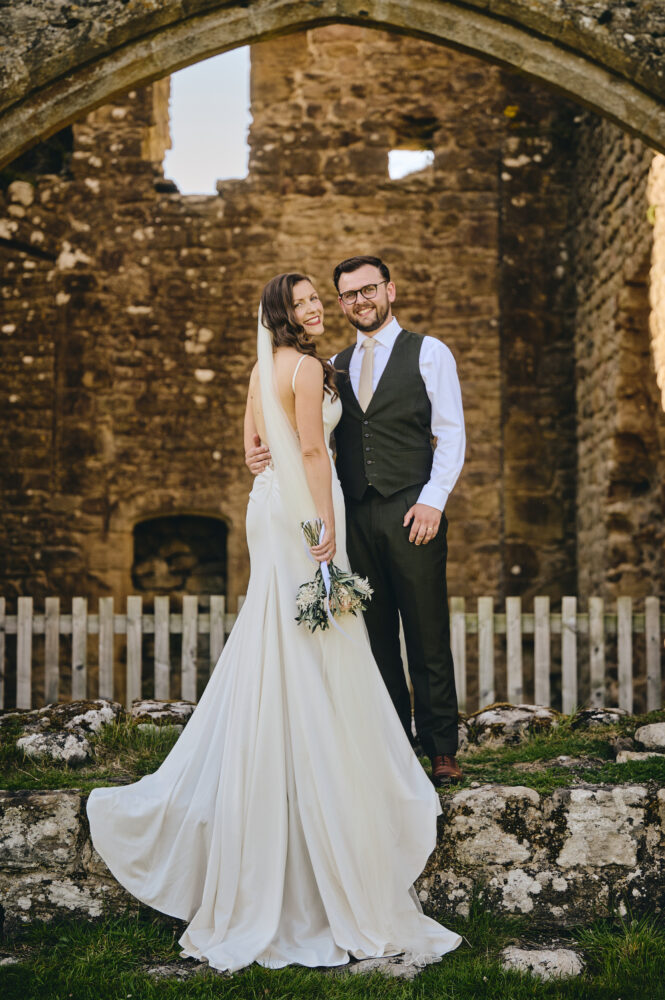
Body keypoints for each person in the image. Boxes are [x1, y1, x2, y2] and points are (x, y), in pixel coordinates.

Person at [86, 272, 462, 974]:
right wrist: (323, 527)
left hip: (268, 506)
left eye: (320, 299)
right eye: (305, 304)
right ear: (283, 316)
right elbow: (313, 452)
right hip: (305, 511)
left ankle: (282, 753)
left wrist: (264, 464)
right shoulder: (312, 368)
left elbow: (252, 445)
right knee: (314, 634)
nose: (318, 309)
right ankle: (321, 767)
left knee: (277, 633)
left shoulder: (261, 368)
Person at [247, 257, 465, 786]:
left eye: (368, 290)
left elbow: (451, 431)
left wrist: (434, 500)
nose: (359, 301)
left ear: (390, 290)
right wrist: (260, 452)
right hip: (352, 512)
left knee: (426, 631)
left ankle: (441, 748)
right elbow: (299, 432)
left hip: (413, 511)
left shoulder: (429, 352)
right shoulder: (331, 365)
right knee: (371, 635)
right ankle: (392, 746)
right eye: (348, 294)